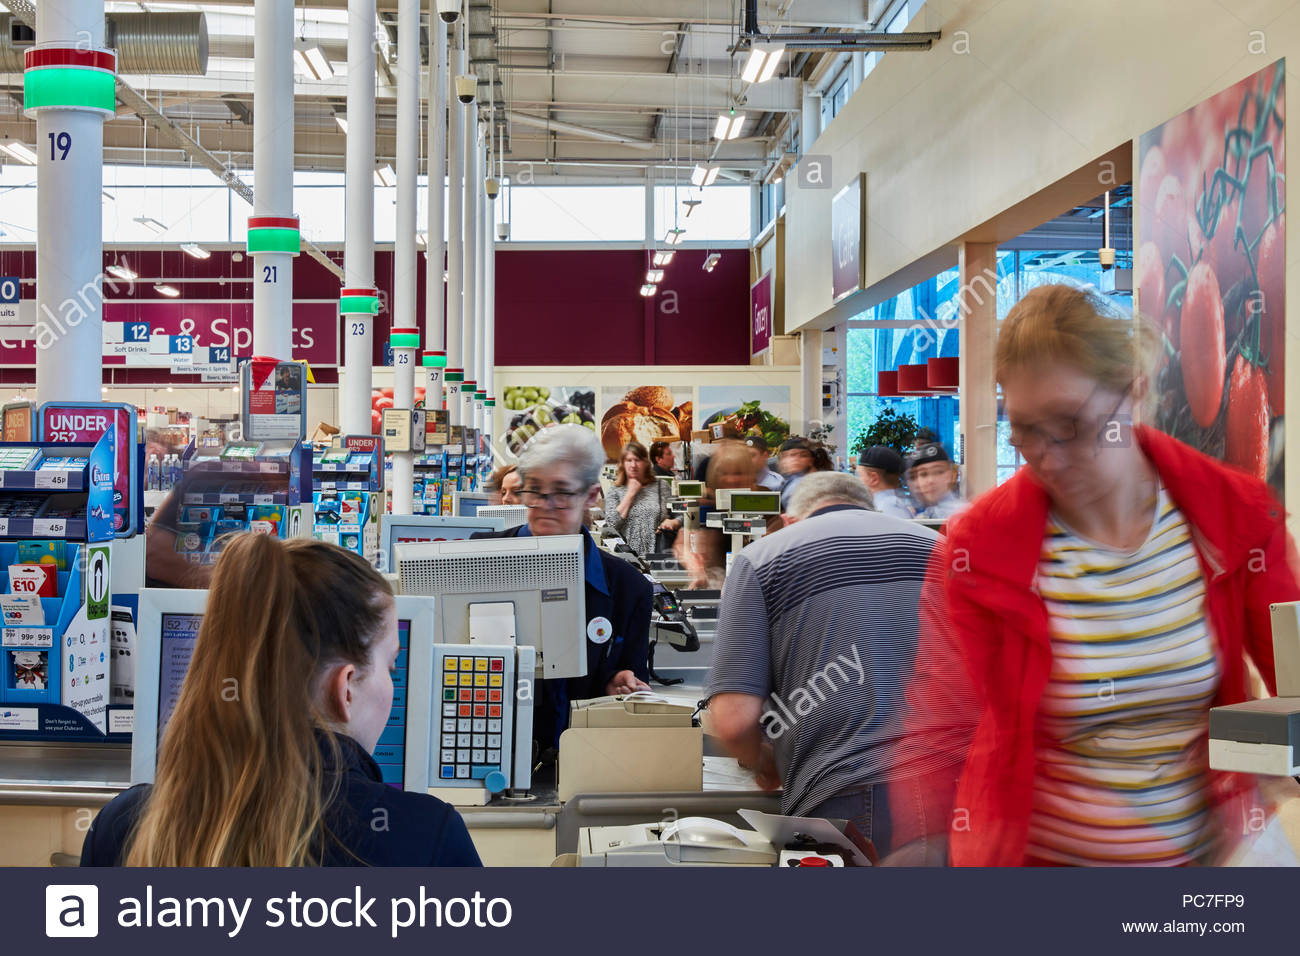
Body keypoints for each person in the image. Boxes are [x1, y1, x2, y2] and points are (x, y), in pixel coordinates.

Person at [901, 283, 1300, 866]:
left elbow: (1294, 676)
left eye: (1072, 424)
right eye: (1026, 431)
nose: (1050, 456)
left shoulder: (1232, 518)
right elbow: (938, 728)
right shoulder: (981, 548)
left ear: (1133, 392)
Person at [82, 535, 481, 867]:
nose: (391, 682)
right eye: (390, 666)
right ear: (345, 687)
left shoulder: (121, 828)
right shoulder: (427, 838)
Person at [706, 473, 945, 858]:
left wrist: (763, 760)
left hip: (851, 793)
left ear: (789, 520)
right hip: (963, 791)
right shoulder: (942, 548)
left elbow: (733, 719)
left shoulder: (764, 557)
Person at [473, 425, 652, 750]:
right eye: (535, 490)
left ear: (591, 495)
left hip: (584, 759)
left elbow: (632, 683)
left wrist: (619, 685)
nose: (545, 504)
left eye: (562, 492)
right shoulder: (481, 558)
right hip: (486, 746)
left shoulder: (629, 588)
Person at [678, 441, 757, 589]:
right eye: (724, 473)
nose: (731, 479)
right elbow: (685, 542)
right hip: (714, 588)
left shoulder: (764, 503)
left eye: (738, 473)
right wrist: (695, 566)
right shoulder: (704, 509)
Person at [603, 441, 679, 556]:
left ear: (645, 463)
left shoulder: (661, 486)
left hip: (659, 556)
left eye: (637, 460)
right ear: (623, 464)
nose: (633, 465)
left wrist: (674, 521)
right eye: (629, 460)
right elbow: (611, 525)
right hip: (629, 560)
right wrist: (630, 494)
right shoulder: (615, 490)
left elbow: (682, 514)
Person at [906, 442, 967, 519]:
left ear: (952, 475)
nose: (930, 480)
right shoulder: (924, 513)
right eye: (923, 474)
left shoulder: (963, 514)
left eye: (939, 472)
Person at [856, 445, 913, 519]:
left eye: (859, 475)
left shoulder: (888, 508)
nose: (857, 480)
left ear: (874, 478)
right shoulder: (887, 505)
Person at [777, 437, 816, 511]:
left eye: (803, 455)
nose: (796, 459)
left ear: (811, 460)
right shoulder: (791, 480)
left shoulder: (810, 484)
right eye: (792, 455)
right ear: (782, 459)